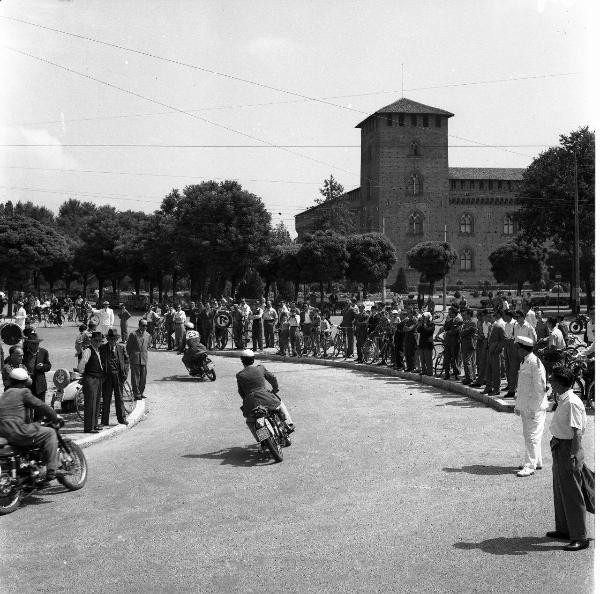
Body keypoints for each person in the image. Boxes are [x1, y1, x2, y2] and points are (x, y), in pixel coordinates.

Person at [547, 366, 590, 551]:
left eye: (553, 381)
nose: (551, 384)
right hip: (559, 446)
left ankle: (580, 536)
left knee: (573, 494)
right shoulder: (564, 399)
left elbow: (577, 432)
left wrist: (574, 454)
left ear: (560, 383)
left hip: (568, 449)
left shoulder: (571, 402)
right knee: (560, 490)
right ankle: (565, 529)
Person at [0, 368, 63, 485]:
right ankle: (51, 470)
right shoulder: (24, 392)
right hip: (18, 430)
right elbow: (41, 406)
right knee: (50, 433)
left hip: (3, 432)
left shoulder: (5, 394)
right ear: (25, 381)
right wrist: (54, 416)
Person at [236, 349, 294, 452]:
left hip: (251, 402)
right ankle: (288, 424)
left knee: (251, 421)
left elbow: (241, 392)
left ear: (242, 361)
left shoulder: (240, 375)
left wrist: (247, 400)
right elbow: (273, 378)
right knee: (279, 404)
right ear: (253, 360)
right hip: (266, 397)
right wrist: (275, 389)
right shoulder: (261, 368)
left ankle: (263, 440)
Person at [514, 336, 548, 477]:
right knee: (530, 435)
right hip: (526, 405)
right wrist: (518, 405)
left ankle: (530, 465)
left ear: (523, 349)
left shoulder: (535, 363)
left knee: (532, 436)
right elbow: (522, 387)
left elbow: (540, 388)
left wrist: (534, 408)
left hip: (534, 407)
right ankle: (537, 461)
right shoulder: (525, 361)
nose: (516, 350)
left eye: (518, 348)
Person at [99, 329, 130, 427]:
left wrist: (124, 374)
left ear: (117, 339)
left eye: (114, 339)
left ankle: (122, 419)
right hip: (107, 377)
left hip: (118, 376)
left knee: (119, 398)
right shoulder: (102, 348)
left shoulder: (121, 348)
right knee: (106, 398)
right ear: (108, 339)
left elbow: (126, 361)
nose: (112, 341)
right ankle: (104, 421)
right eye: (111, 339)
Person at [77, 331, 104, 433]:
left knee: (96, 403)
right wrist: (84, 374)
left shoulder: (98, 350)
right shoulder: (88, 350)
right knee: (90, 404)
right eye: (96, 341)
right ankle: (89, 427)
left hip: (97, 378)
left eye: (99, 341)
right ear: (92, 340)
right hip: (90, 379)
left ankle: (95, 424)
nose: (98, 343)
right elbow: (82, 363)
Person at [22, 333, 52, 421]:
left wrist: (42, 366)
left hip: (40, 385)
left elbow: (49, 366)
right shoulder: (24, 353)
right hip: (27, 385)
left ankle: (37, 426)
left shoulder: (44, 352)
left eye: (37, 343)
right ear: (29, 344)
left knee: (39, 409)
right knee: (27, 408)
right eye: (34, 343)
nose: (36, 345)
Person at [126, 319, 152, 400]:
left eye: (146, 325)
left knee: (143, 378)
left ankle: (141, 392)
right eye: (143, 325)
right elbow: (128, 348)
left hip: (144, 358)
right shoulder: (133, 334)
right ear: (139, 325)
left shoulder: (148, 335)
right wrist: (130, 357)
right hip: (135, 359)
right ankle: (136, 394)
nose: (145, 327)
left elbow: (147, 346)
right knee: (135, 377)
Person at [484, 310, 506, 396]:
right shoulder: (490, 327)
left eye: (490, 317)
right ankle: (488, 387)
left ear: (495, 317)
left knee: (496, 371)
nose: (489, 318)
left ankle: (497, 389)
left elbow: (504, 339)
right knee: (488, 370)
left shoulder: (499, 326)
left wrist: (497, 348)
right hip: (490, 351)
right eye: (488, 317)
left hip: (496, 352)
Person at [459, 309, 477, 385]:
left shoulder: (472, 322)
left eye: (465, 314)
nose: (464, 316)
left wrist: (462, 331)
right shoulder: (466, 322)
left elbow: (464, 332)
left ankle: (469, 378)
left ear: (469, 314)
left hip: (469, 344)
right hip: (465, 344)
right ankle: (470, 376)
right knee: (469, 361)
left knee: (467, 361)